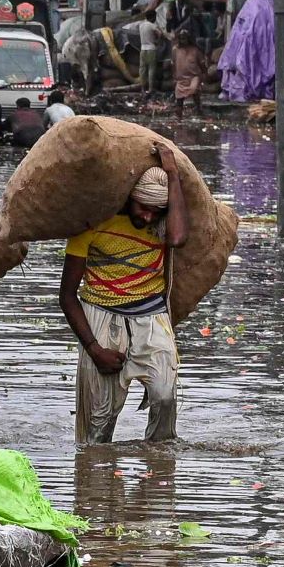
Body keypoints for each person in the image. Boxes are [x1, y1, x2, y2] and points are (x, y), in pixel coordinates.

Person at [60, 152, 189, 442]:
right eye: (143, 207)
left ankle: (158, 471)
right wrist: (94, 349)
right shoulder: (92, 225)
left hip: (152, 316)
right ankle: (95, 478)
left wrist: (173, 175)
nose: (148, 216)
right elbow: (67, 296)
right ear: (129, 198)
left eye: (157, 210)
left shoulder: (162, 225)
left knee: (165, 395)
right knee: (99, 423)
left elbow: (179, 239)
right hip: (101, 316)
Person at [171, 26, 206, 114]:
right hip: (181, 79)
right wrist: (174, 76)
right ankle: (178, 116)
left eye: (185, 38)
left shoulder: (195, 50)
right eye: (181, 38)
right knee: (179, 99)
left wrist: (204, 73)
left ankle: (199, 110)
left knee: (195, 92)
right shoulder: (175, 50)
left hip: (193, 77)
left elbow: (202, 63)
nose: (183, 40)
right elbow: (173, 63)